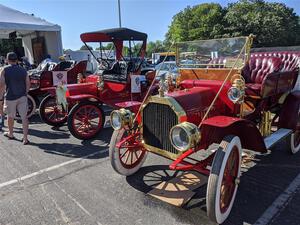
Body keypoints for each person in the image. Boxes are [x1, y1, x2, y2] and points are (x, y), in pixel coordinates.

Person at [0, 52, 30, 144]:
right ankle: (25, 138)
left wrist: (1, 97)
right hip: (22, 97)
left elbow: (1, 85)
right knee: (24, 117)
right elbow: (28, 84)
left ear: (7, 60)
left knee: (10, 116)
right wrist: (25, 93)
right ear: (16, 60)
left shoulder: (4, 70)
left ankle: (11, 134)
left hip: (10, 97)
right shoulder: (23, 70)